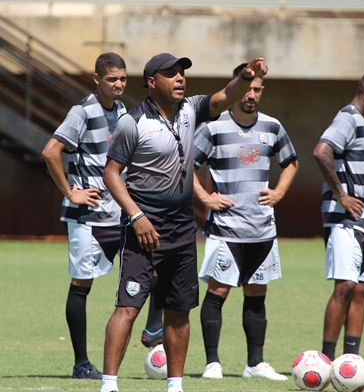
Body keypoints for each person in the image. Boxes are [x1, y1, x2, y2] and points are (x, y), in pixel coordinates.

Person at [99, 53, 268, 392]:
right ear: (151, 82)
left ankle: (175, 385)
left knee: (179, 311)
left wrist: (247, 76)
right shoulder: (132, 122)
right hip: (144, 231)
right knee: (128, 307)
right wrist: (137, 217)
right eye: (170, 74)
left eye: (182, 73)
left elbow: (224, 97)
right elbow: (111, 174)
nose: (180, 79)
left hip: (182, 231)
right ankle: (109, 385)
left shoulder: (191, 109)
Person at [194, 63, 299, 381]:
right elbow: (185, 165)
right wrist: (206, 199)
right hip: (226, 229)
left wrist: (279, 191)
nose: (252, 94)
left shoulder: (272, 127)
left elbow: (292, 162)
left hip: (262, 229)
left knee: (257, 294)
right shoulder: (212, 128)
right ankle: (212, 363)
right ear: (237, 87)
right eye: (248, 88)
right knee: (218, 293)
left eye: (257, 89)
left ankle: (255, 364)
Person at [42, 52, 127, 379]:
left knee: (154, 266)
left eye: (122, 78)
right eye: (111, 79)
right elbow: (51, 151)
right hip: (86, 217)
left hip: (116, 213)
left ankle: (152, 332)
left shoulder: (121, 111)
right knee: (82, 285)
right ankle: (81, 364)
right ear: (97, 79)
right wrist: (70, 192)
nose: (118, 84)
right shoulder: (82, 110)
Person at [313, 69, 364, 361]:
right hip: (345, 223)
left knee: (361, 291)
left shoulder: (361, 123)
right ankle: (326, 360)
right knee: (345, 287)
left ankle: (351, 362)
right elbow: (321, 151)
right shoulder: (347, 117)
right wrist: (341, 195)